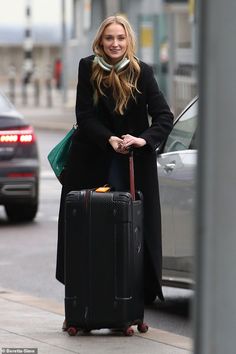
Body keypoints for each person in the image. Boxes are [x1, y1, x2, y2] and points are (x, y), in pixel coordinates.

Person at [56, 15, 174, 328]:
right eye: (109, 38)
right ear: (101, 40)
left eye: (120, 38)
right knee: (87, 237)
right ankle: (83, 310)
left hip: (133, 167)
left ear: (128, 40)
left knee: (128, 239)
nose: (115, 44)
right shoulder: (88, 67)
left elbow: (164, 116)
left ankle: (126, 310)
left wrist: (141, 139)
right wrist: (108, 138)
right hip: (91, 164)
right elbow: (85, 115)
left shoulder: (142, 71)